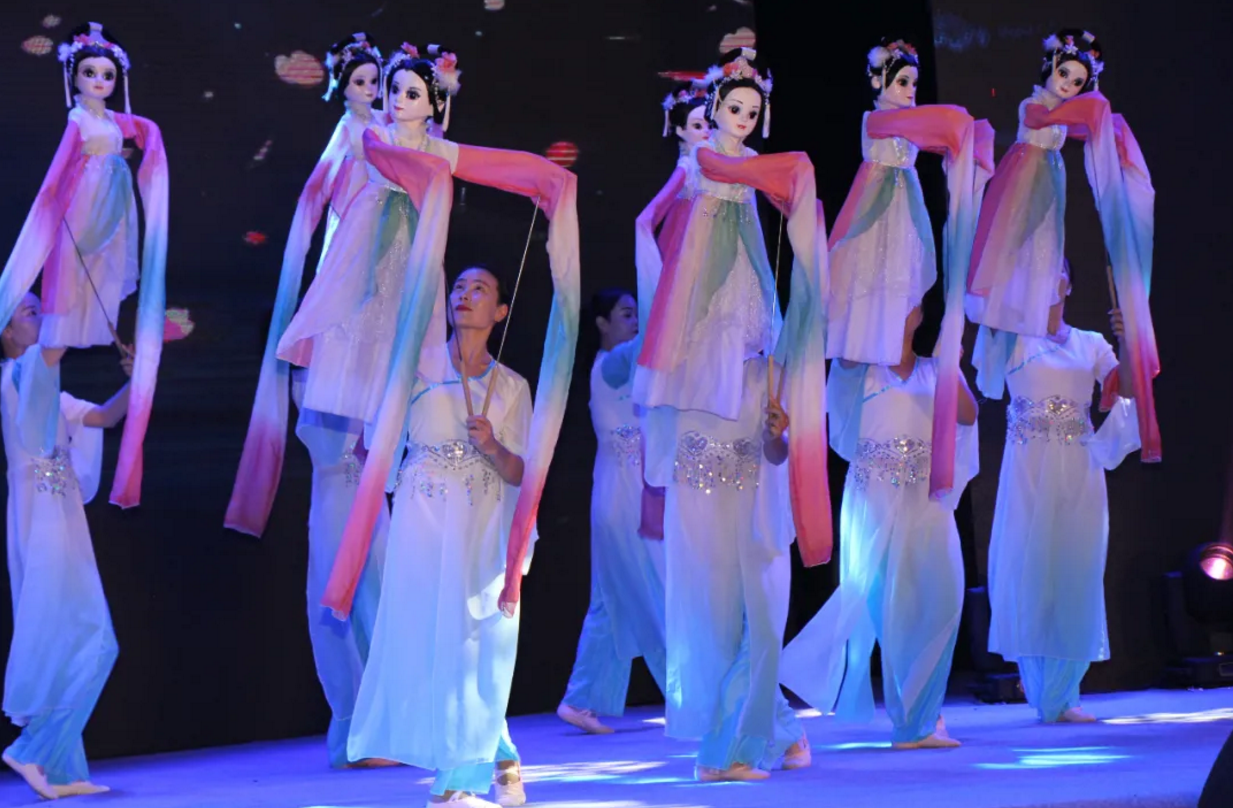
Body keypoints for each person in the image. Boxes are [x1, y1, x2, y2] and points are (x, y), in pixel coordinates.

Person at [632, 48, 826, 781]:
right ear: (709, 112)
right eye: (731, 109)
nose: (741, 120)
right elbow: (650, 222)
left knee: (761, 600)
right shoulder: (699, 175)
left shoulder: (763, 359)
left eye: (751, 111)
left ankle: (767, 728)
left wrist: (777, 436)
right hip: (699, 465)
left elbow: (774, 452)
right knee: (711, 604)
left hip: (751, 471)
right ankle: (731, 745)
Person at [226, 33, 391, 770]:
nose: (371, 91)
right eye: (361, 81)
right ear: (343, 88)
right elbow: (325, 207)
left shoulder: (389, 136)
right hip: (336, 481)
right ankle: (351, 724)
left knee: (382, 589)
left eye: (377, 81)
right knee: (337, 593)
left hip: (373, 480)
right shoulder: (348, 140)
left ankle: (384, 721)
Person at [346, 268, 531, 808]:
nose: (465, 295)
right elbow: (377, 442)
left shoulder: (512, 386)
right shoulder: (415, 365)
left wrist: (492, 447)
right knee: (433, 642)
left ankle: (456, 785)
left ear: (500, 311)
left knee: (472, 641)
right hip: (422, 519)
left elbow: (521, 472)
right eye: (459, 287)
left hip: (480, 524)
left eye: (480, 290)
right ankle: (498, 753)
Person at [780, 306, 979, 749]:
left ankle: (922, 712)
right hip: (875, 501)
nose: (898, 305)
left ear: (919, 312)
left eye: (906, 297)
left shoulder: (933, 368)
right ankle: (914, 723)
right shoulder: (859, 369)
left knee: (944, 598)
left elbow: (967, 415)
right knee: (893, 609)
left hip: (927, 499)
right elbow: (839, 380)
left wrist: (952, 363)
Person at [0, 22, 169, 507]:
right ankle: (71, 316)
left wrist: (150, 135)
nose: (99, 81)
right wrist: (53, 216)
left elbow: (142, 129)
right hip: (85, 205)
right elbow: (57, 176)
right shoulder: (78, 121)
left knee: (103, 273)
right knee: (70, 293)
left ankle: (93, 318)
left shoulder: (113, 122)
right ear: (73, 77)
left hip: (113, 210)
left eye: (107, 74)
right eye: (90, 72)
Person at [979, 265, 1140, 723]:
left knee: (1074, 572)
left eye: (1056, 269)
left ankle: (1065, 694)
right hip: (1027, 471)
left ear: (1068, 284)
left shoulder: (1090, 342)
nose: (1047, 276)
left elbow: (1127, 388)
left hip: (1077, 471)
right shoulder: (1012, 339)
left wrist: (1129, 340)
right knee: (1029, 571)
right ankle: (1042, 689)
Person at [1, 293, 132, 798]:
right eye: (29, 311)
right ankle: (33, 748)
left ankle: (62, 768)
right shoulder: (17, 375)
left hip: (60, 513)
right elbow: (53, 347)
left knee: (63, 636)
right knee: (93, 637)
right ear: (6, 332)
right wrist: (74, 291)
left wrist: (140, 378)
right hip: (42, 517)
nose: (41, 315)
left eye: (41, 306)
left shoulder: (47, 389)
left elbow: (106, 417)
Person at [558, 289, 668, 735]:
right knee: (655, 592)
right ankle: (692, 697)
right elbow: (650, 342)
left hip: (619, 494)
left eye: (638, 313)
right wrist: (669, 291)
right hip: (623, 499)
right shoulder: (610, 366)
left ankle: (580, 698)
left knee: (609, 603)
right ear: (602, 323)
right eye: (626, 314)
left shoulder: (625, 368)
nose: (635, 320)